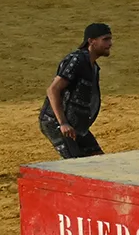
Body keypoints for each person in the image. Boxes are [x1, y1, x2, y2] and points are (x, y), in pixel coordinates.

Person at [41, 22, 113, 159]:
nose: (110, 43)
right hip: (57, 123)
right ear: (91, 41)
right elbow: (53, 90)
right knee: (77, 165)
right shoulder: (77, 60)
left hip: (76, 126)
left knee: (100, 160)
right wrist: (63, 123)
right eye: (105, 39)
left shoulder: (93, 66)